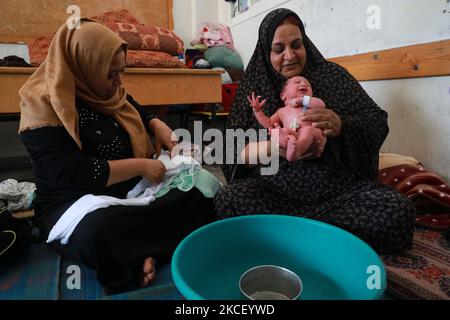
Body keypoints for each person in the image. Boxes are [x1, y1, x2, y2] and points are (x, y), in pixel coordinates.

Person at [18, 19, 214, 293]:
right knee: (101, 231)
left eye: (121, 72)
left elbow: (134, 107)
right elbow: (70, 174)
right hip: (74, 203)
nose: (118, 82)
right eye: (111, 74)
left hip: (128, 192)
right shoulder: (44, 106)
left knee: (197, 194)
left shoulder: (108, 92)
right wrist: (141, 166)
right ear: (84, 67)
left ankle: (140, 250)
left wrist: (156, 124)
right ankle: (143, 250)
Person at [214, 8, 415, 254]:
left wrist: (341, 124)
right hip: (276, 195)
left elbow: (376, 121)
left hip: (338, 194)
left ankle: (286, 238)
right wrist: (272, 148)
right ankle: (328, 240)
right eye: (278, 49)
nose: (289, 56)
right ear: (266, 52)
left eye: (296, 45)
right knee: (228, 200)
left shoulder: (332, 77)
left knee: (396, 213)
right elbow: (230, 150)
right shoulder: (254, 88)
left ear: (306, 43)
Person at [248, 76, 326, 161]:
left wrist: (300, 101)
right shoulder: (282, 111)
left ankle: (297, 152)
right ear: (283, 95)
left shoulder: (310, 103)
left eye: (308, 85)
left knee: (308, 130)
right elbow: (269, 123)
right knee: (281, 131)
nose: (304, 84)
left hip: (313, 135)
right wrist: (258, 112)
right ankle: (289, 146)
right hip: (293, 135)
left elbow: (321, 104)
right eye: (297, 82)